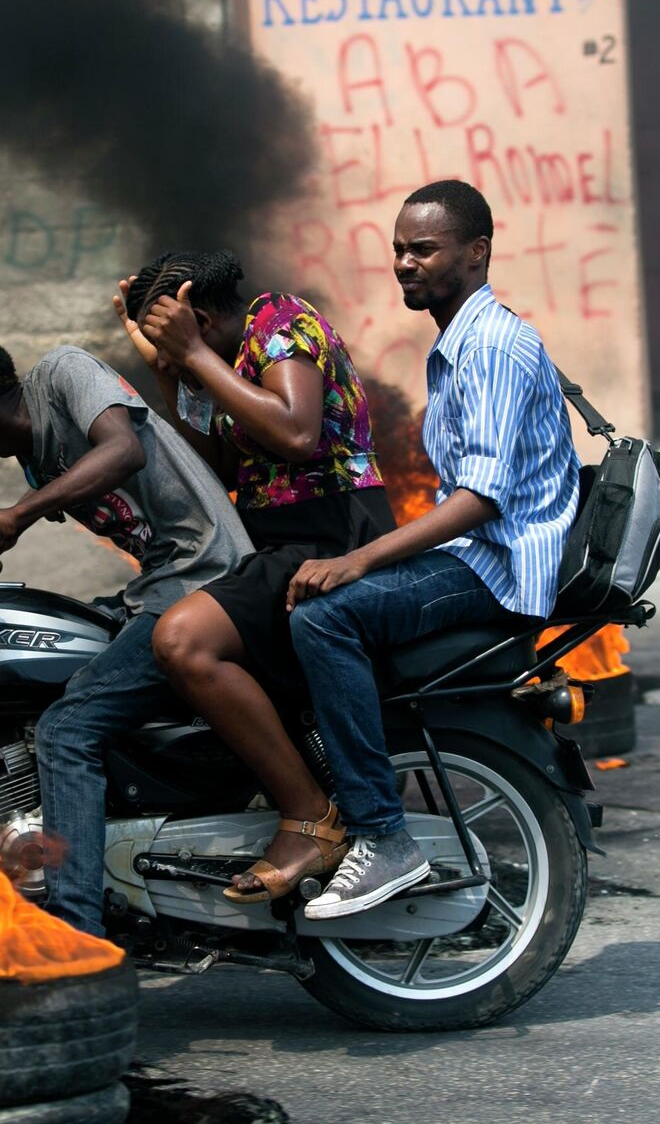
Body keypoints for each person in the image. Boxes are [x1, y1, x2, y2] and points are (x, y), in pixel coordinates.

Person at [283, 179, 581, 920]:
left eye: (424, 249)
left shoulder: (493, 347)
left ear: (477, 252)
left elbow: (479, 500)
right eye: (398, 250)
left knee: (325, 618)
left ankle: (383, 836)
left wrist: (362, 558)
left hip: (499, 568)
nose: (405, 264)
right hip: (481, 554)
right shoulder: (459, 344)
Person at [0, 325, 250, 937]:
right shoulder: (36, 456)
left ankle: (75, 933)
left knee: (67, 729)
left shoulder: (64, 372)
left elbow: (122, 451)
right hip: (161, 588)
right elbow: (47, 502)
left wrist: (14, 516)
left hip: (207, 581)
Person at [110, 250, 393, 902]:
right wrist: (170, 374)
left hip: (333, 536)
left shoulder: (279, 319)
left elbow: (295, 434)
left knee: (183, 640)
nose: (179, 357)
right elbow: (220, 468)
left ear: (200, 319)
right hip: (275, 544)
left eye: (179, 340)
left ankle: (308, 816)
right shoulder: (230, 362)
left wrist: (195, 359)